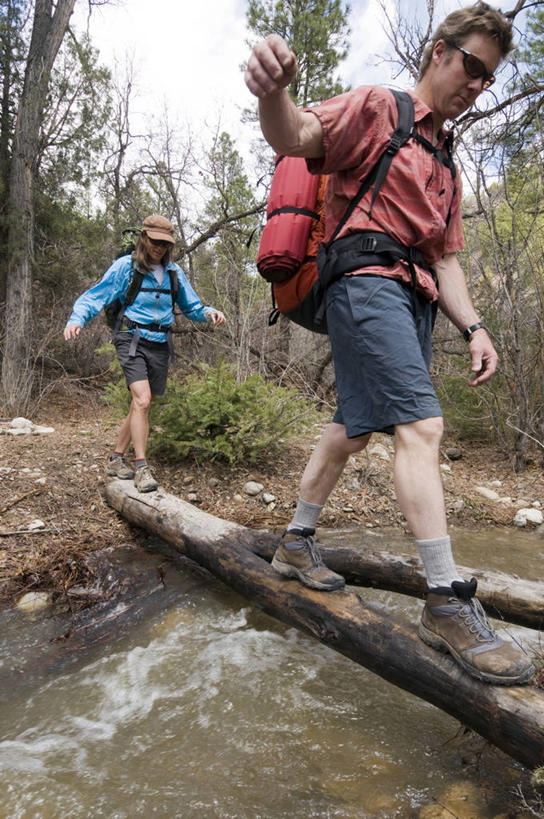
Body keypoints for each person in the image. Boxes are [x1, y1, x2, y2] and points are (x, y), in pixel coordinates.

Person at [245, 3, 534, 685]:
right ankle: (443, 598)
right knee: (422, 424)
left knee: (351, 425)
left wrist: (477, 327)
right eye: (472, 67)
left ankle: (295, 541)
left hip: (413, 298)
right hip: (363, 279)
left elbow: (448, 260)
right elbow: (298, 134)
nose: (478, 85)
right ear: (439, 52)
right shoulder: (380, 108)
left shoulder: (447, 164)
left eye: (490, 79)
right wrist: (274, 90)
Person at [64, 214, 226, 493]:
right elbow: (96, 295)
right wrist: (77, 318)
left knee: (139, 404)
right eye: (154, 241)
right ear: (144, 237)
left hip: (160, 342)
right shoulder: (125, 267)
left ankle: (116, 459)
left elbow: (192, 307)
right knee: (143, 399)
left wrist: (209, 312)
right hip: (130, 337)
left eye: (165, 243)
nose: (159, 248)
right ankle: (141, 468)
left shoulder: (174, 272)